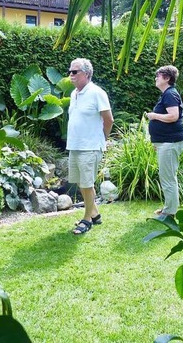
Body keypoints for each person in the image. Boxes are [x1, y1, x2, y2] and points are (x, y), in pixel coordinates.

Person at [67, 58, 114, 235]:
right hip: (75, 145)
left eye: (74, 72)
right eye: (70, 71)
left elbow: (109, 119)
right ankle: (94, 213)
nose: (71, 75)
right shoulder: (74, 94)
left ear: (86, 74)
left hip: (90, 147)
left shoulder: (97, 93)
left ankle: (86, 220)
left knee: (87, 184)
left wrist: (102, 138)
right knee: (81, 183)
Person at [146, 65, 183, 217]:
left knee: (168, 178)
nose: (156, 78)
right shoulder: (167, 94)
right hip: (166, 143)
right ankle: (168, 208)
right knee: (168, 176)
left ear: (167, 78)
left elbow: (173, 116)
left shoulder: (170, 94)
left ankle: (170, 213)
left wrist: (154, 116)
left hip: (170, 142)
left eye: (159, 75)